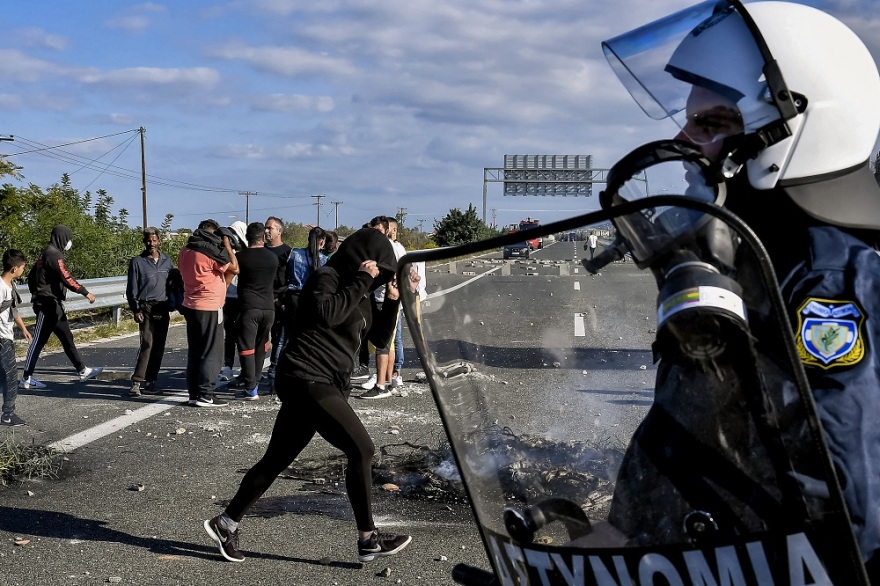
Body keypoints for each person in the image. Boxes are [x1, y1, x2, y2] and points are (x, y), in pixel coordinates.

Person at [602, 0, 880, 574]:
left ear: (784, 139)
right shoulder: (744, 263)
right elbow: (683, 425)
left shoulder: (829, 280)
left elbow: (848, 513)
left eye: (710, 124)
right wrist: (608, 541)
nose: (683, 141)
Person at [203, 228, 412, 563]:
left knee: (276, 459)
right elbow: (328, 313)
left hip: (327, 382)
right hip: (306, 377)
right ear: (361, 258)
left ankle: (226, 523)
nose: (376, 276)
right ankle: (368, 538)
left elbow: (379, 338)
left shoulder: (360, 291)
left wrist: (392, 299)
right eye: (376, 269)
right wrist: (362, 279)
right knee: (362, 449)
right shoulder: (326, 277)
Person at [21, 225, 103, 389]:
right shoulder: (54, 254)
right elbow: (66, 276)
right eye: (68, 239)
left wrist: (35, 292)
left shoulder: (46, 252)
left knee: (67, 337)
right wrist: (85, 292)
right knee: (38, 341)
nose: (69, 242)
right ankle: (26, 378)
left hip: (53, 304)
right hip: (47, 304)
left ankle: (82, 370)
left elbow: (31, 276)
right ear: (62, 238)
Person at [178, 219, 239, 407]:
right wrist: (227, 246)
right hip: (210, 306)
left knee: (195, 352)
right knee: (212, 352)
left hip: (190, 305)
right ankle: (206, 394)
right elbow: (234, 267)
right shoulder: (210, 253)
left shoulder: (185, 250)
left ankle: (194, 393)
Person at [125, 227, 174, 397]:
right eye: (148, 240)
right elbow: (131, 287)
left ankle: (151, 382)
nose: (151, 243)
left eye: (154, 240)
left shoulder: (167, 261)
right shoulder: (137, 262)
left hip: (162, 307)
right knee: (147, 344)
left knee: (159, 346)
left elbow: (172, 285)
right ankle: (137, 382)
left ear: (159, 241)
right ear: (144, 242)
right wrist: (135, 308)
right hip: (145, 308)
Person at [233, 222, 278, 401]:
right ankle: (256, 382)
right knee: (262, 346)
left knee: (246, 347)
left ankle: (250, 387)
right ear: (263, 237)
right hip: (269, 308)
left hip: (249, 307)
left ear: (247, 237)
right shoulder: (273, 258)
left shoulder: (241, 257)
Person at [0, 250, 32, 426]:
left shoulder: (10, 286)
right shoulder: (1, 288)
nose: (23, 270)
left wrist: (24, 329)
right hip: (1, 338)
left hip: (7, 336)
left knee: (4, 375)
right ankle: (8, 415)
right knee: (10, 376)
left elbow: (12, 310)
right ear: (14, 269)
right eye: (22, 267)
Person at [284, 226, 327, 337]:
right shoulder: (323, 259)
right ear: (322, 241)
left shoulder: (294, 253)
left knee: (289, 334)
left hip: (293, 297)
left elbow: (286, 273)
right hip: (311, 299)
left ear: (308, 239)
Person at [219, 221, 248, 383]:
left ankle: (245, 369)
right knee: (229, 335)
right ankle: (228, 366)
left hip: (243, 299)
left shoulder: (247, 255)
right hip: (228, 299)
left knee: (244, 336)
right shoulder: (226, 253)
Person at [263, 216, 292, 381]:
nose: (266, 231)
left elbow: (291, 279)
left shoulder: (288, 252)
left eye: (270, 228)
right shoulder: (260, 251)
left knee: (278, 338)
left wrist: (281, 299)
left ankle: (274, 370)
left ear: (279, 231)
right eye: (265, 228)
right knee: (259, 338)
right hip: (261, 301)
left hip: (278, 302)